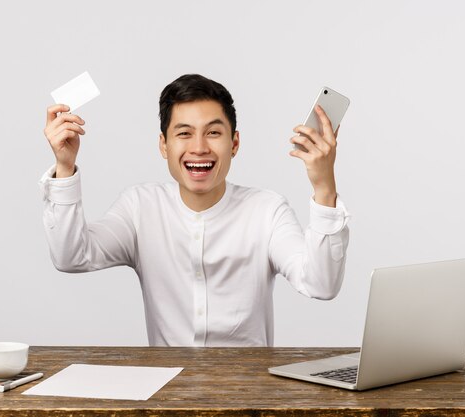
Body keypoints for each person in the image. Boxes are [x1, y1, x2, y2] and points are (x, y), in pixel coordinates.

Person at [39, 74, 350, 347]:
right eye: (184, 133)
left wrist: (324, 187)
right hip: (168, 395)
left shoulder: (266, 210)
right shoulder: (139, 208)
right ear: (164, 145)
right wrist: (65, 167)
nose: (199, 147)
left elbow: (320, 284)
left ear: (234, 143)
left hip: (248, 393)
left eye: (213, 132)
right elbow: (71, 257)